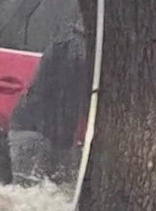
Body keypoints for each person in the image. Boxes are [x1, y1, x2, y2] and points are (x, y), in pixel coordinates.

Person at [8, 20, 93, 185]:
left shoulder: (65, 44)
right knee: (43, 192)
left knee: (34, 193)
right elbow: (68, 101)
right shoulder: (80, 53)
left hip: (30, 128)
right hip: (40, 133)